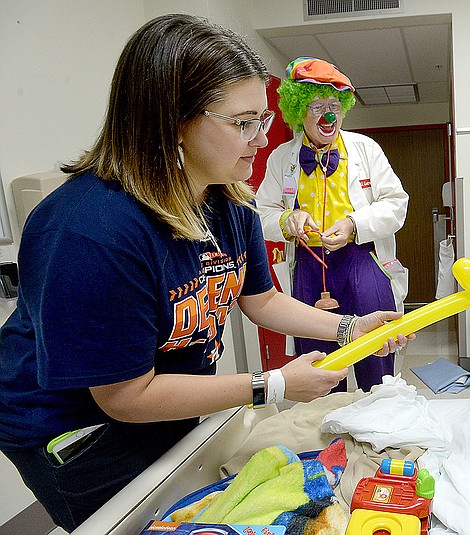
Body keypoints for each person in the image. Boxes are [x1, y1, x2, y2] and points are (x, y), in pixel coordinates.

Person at [0, 15, 411, 532]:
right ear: (171, 120)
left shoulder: (227, 198)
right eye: (243, 123)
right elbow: (125, 397)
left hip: (160, 398)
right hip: (78, 433)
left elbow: (258, 299)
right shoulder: (89, 231)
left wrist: (350, 327)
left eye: (263, 121)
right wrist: (275, 384)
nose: (261, 140)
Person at [256, 57, 409, 393]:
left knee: (377, 352)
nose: (329, 115)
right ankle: (329, 433)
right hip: (309, 267)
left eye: (335, 105)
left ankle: (382, 424)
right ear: (298, 111)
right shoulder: (281, 158)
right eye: (317, 106)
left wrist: (354, 224)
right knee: (319, 363)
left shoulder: (365, 149)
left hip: (362, 261)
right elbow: (260, 214)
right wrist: (286, 219)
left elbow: (397, 205)